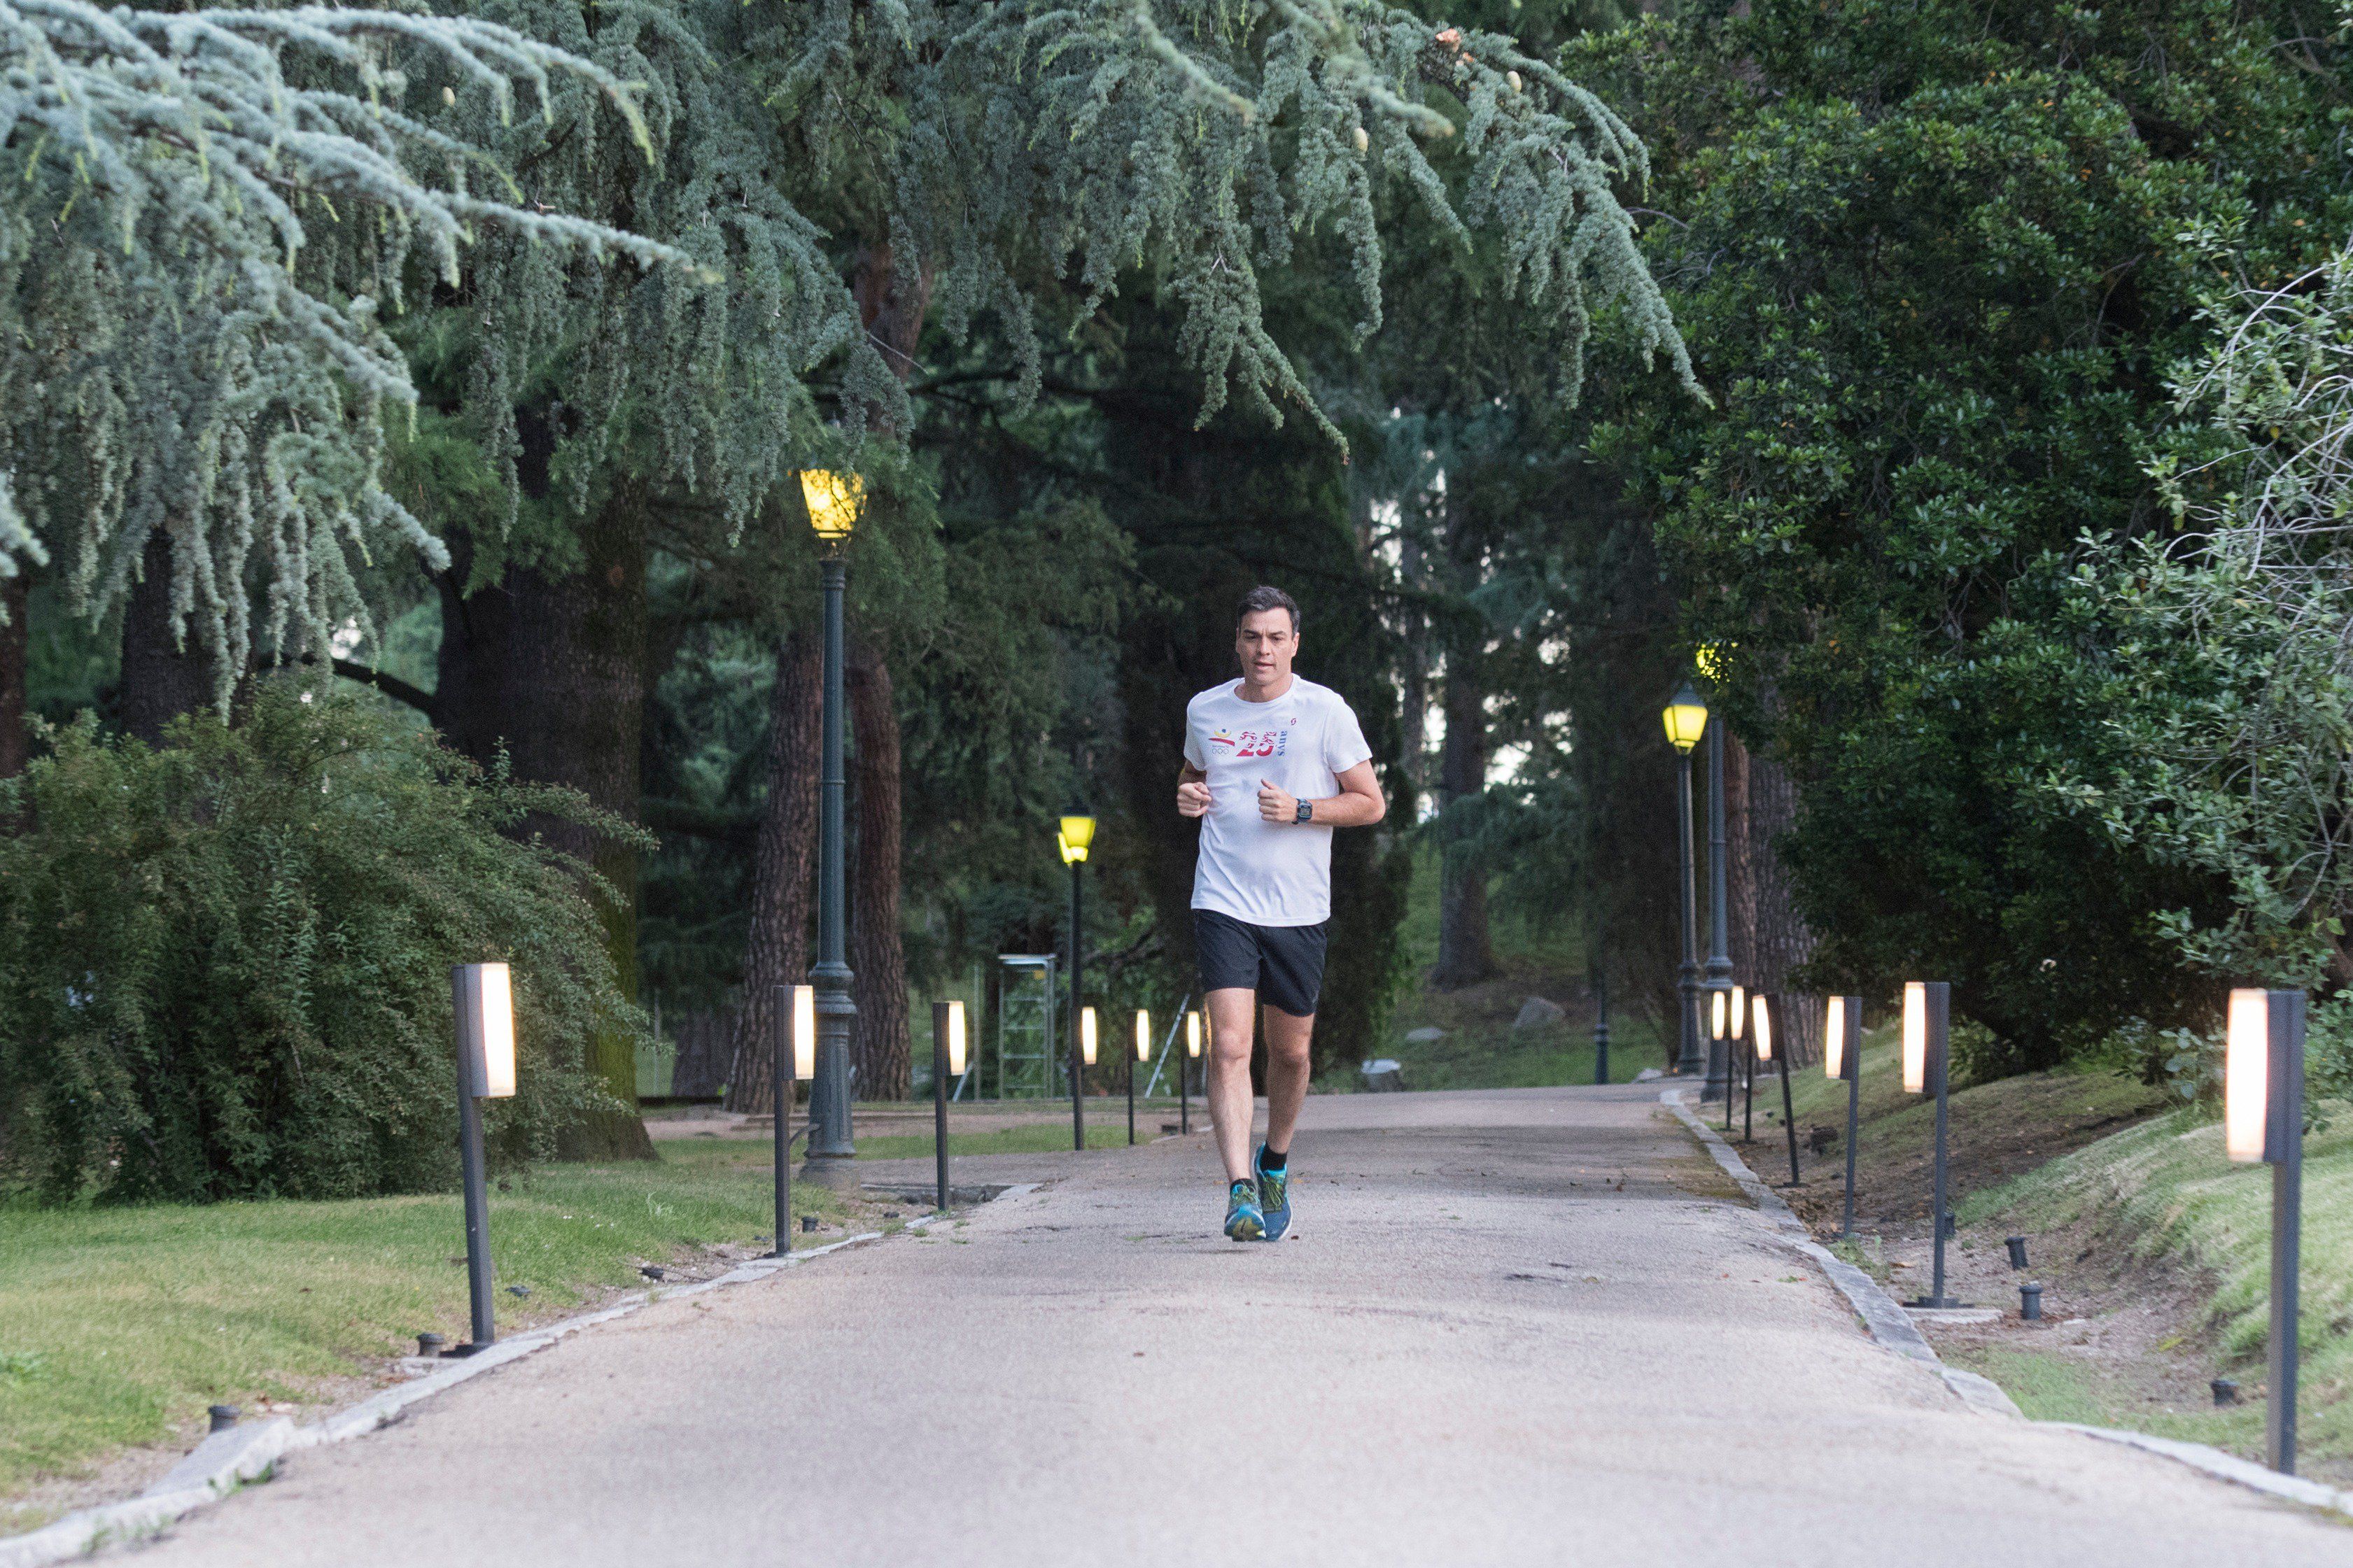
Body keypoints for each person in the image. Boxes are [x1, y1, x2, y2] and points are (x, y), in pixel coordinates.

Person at [1176, 586, 1386, 1241]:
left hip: (1298, 906)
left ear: (1294, 642)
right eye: (1250, 637)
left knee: (1290, 1054)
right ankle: (1239, 1190)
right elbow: (1192, 775)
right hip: (1223, 897)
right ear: (1236, 641)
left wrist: (1302, 809)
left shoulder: (1325, 711)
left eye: (1274, 637)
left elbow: (1370, 802)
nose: (1262, 649)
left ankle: (1275, 1161)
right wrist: (1188, 795)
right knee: (1231, 1046)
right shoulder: (1205, 709)